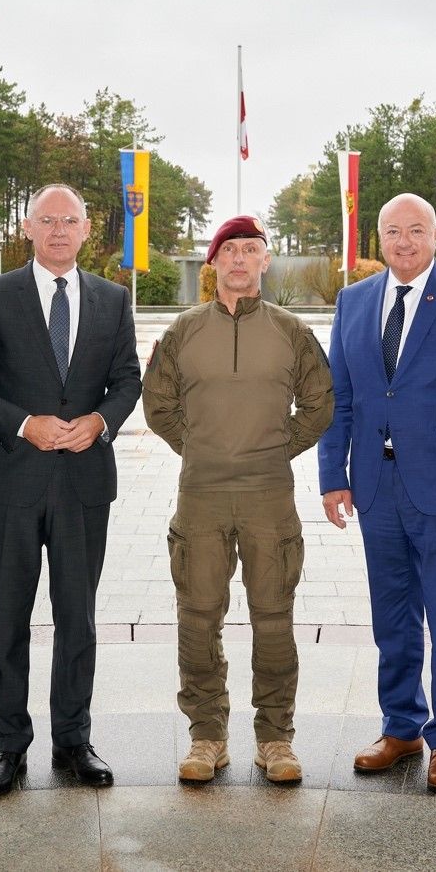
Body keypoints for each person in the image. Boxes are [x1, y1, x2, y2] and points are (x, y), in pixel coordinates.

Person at [0, 183, 142, 799]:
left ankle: (73, 742)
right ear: (27, 229)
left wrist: (101, 421)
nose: (59, 230)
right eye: (47, 220)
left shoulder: (113, 300)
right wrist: (24, 423)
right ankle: (10, 746)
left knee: (78, 619)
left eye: (71, 220)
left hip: (84, 484)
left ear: (88, 231)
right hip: (10, 480)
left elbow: (127, 378)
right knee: (9, 619)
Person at [318, 193, 436, 794]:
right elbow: (338, 399)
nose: (404, 241)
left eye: (416, 230)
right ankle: (402, 727)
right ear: (379, 238)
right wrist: (334, 475)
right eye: (393, 231)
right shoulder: (353, 302)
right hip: (376, 486)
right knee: (392, 616)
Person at [143, 215, 334, 784]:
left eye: (252, 250)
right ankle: (207, 736)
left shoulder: (292, 332)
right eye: (230, 251)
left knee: (274, 618)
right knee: (198, 617)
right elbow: (158, 407)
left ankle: (276, 738)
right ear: (214, 263)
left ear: (265, 262)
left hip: (268, 497)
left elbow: (320, 406)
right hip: (199, 496)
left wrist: (275, 451)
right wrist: (201, 450)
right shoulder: (181, 332)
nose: (241, 260)